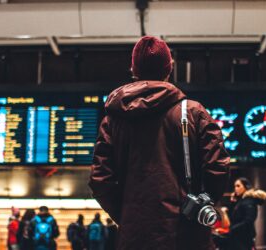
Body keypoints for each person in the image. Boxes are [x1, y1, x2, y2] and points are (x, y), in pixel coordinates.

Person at [88, 36, 230, 250]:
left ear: (133, 69)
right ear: (169, 68)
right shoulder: (193, 112)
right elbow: (217, 167)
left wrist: (128, 217)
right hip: (188, 237)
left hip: (134, 239)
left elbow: (100, 180)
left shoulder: (113, 119)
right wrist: (200, 204)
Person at [225, 178, 266, 250]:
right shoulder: (240, 201)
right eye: (235, 186)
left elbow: (249, 220)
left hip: (244, 237)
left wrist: (232, 229)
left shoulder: (248, 201)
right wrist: (232, 202)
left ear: (246, 187)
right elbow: (231, 217)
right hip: (237, 236)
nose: (235, 188)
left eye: (238, 186)